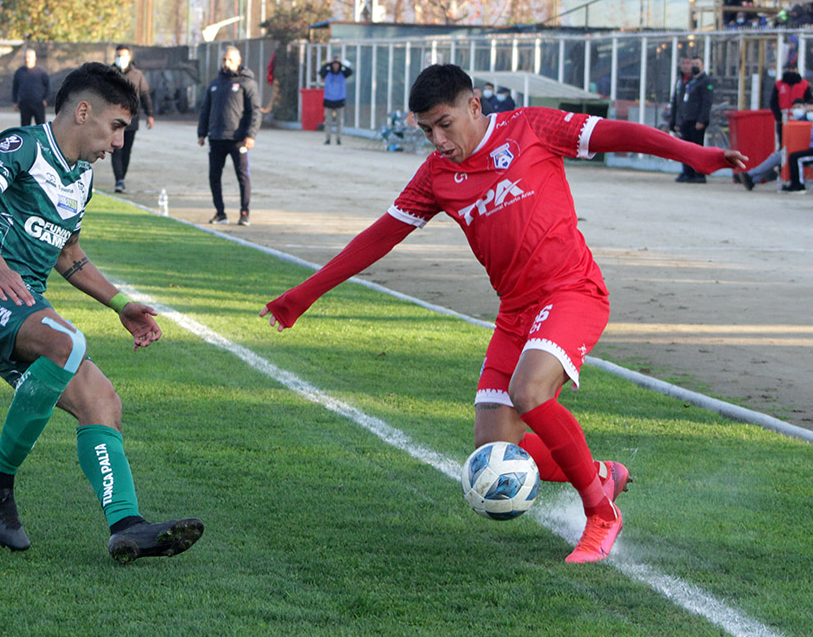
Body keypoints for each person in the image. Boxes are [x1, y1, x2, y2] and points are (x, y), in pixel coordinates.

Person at [259, 64, 746, 564]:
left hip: (572, 291)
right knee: (492, 449)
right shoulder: (436, 175)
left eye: (444, 124)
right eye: (426, 130)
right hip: (515, 312)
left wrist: (698, 155)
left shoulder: (531, 127)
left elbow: (622, 133)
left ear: (474, 105)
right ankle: (600, 474)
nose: (437, 140)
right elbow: (379, 238)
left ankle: (600, 513)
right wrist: (303, 295)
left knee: (528, 392)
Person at [0, 62, 204, 563]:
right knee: (68, 343)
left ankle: (127, 526)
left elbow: (67, 255)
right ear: (84, 112)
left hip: (22, 308)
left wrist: (122, 304)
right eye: (117, 127)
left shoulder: (81, 178)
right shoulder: (22, 146)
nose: (119, 142)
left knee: (102, 401)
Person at [197, 45, 261, 226]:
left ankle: (244, 213)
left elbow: (255, 111)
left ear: (238, 61)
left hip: (238, 139)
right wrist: (202, 132)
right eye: (224, 60)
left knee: (242, 176)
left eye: (230, 60)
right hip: (216, 137)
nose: (226, 63)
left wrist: (250, 135)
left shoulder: (247, 83)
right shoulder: (215, 84)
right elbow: (205, 109)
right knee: (214, 176)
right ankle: (220, 213)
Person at [110, 45, 154, 193]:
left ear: (129, 57)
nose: (120, 59)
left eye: (123, 56)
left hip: (131, 120)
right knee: (116, 149)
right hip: (113, 120)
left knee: (126, 150)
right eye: (118, 56)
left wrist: (150, 114)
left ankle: (122, 176)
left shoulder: (137, 75)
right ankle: (119, 180)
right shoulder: (109, 73)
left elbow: (145, 95)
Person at [670, 56, 714, 183]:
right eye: (692, 63)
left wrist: (702, 120)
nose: (693, 66)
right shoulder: (688, 82)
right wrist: (676, 120)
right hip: (686, 120)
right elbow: (679, 102)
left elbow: (707, 102)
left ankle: (699, 174)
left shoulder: (705, 81)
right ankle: (688, 172)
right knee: (686, 148)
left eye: (696, 64)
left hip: (696, 121)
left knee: (697, 148)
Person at [771, 64, 812, 144]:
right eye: (789, 68)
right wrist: (778, 117)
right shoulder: (779, 84)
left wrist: (803, 114)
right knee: (783, 142)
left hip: (799, 120)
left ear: (797, 69)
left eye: (793, 68)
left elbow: (809, 101)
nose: (791, 71)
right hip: (783, 119)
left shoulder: (804, 84)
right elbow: (773, 102)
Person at [12, 48, 51, 126]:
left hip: (38, 103)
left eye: (29, 57)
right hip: (24, 103)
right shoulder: (19, 72)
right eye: (26, 57)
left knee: (40, 126)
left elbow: (48, 86)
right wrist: (15, 102)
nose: (27, 59)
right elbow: (15, 87)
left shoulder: (41, 72)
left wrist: (46, 99)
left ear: (34, 58)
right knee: (25, 127)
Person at [319, 55, 353, 145]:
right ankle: (328, 138)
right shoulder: (327, 72)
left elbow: (350, 71)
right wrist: (328, 63)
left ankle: (338, 138)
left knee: (339, 121)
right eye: (334, 64)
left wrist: (342, 64)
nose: (335, 66)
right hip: (329, 98)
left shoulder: (343, 73)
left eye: (337, 64)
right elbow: (321, 71)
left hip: (339, 99)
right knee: (328, 121)